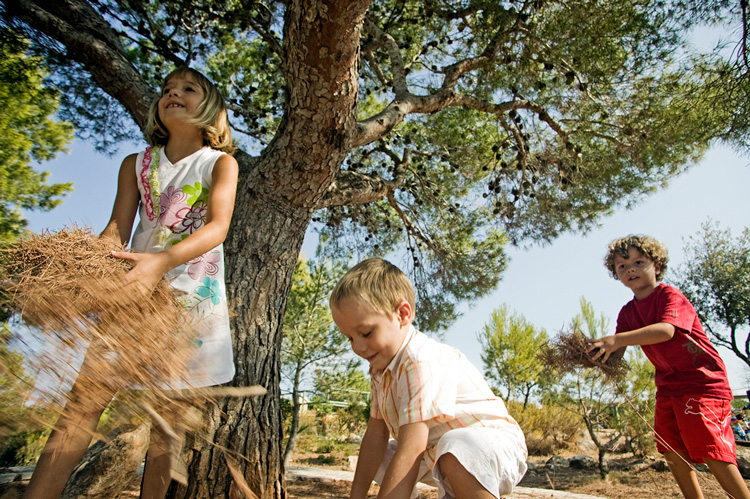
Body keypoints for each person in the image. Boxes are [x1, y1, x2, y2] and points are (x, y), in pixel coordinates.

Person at [24, 67, 239, 499]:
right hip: (131, 296)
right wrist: (86, 271)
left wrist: (162, 262)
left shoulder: (220, 164)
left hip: (188, 301)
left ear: (212, 110)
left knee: (166, 421)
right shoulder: (135, 164)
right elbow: (116, 230)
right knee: (82, 404)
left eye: (188, 89)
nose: (173, 93)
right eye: (167, 89)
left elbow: (218, 227)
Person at [329, 258, 527, 499]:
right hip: (437, 451)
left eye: (366, 332)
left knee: (455, 448)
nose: (358, 347)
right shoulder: (380, 369)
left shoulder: (419, 359)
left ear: (402, 314)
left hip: (493, 446)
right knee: (381, 455)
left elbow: (412, 447)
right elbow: (375, 437)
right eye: (350, 338)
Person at [587, 235, 750, 499]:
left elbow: (666, 331)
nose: (630, 269)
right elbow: (617, 352)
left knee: (713, 451)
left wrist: (616, 340)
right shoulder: (627, 313)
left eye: (638, 262)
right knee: (672, 453)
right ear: (616, 274)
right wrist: (594, 355)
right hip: (668, 387)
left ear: (657, 265)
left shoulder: (670, 296)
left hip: (703, 383)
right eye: (622, 266)